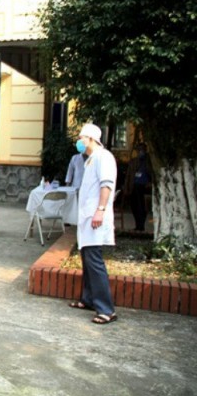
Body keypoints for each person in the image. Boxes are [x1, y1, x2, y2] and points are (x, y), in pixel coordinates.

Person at [68, 123, 118, 325]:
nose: (79, 141)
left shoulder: (103, 157)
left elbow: (106, 185)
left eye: (81, 138)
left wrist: (101, 210)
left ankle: (106, 309)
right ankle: (88, 299)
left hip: (96, 217)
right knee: (87, 261)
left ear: (91, 139)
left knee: (94, 262)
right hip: (88, 218)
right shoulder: (90, 160)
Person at [124, 143, 153, 232]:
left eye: (142, 150)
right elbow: (129, 175)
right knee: (134, 206)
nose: (140, 152)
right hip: (134, 186)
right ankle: (138, 225)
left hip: (144, 187)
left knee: (142, 207)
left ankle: (141, 225)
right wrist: (127, 188)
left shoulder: (149, 161)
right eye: (139, 150)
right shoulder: (133, 161)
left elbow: (152, 173)